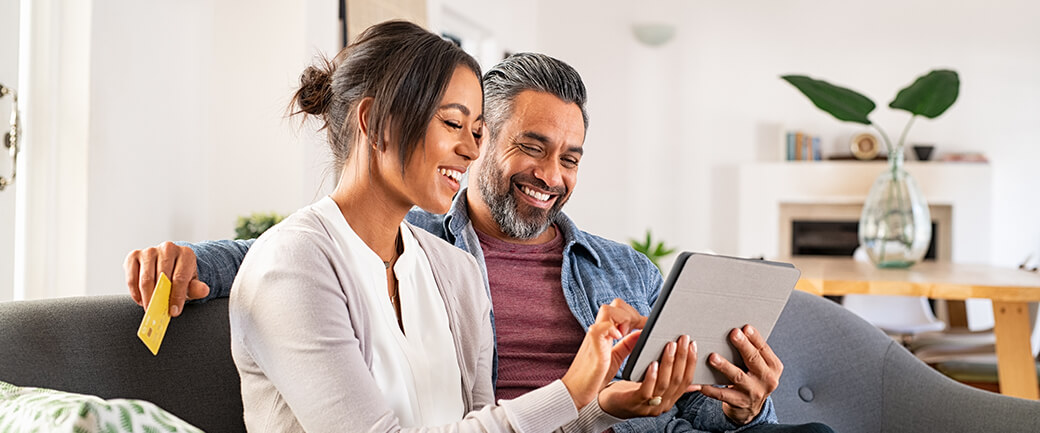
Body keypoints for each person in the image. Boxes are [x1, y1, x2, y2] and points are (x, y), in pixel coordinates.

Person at [126, 49, 832, 433]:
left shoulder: (623, 268)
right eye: (532, 146)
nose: (551, 176)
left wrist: (743, 402)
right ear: (481, 138)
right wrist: (189, 262)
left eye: (572, 157)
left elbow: (688, 408)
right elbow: (292, 254)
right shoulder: (416, 237)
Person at [203, 20, 698, 432]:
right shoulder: (291, 266)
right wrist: (568, 389)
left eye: (478, 130)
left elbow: (482, 424)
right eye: (453, 124)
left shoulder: (453, 270)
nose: (471, 149)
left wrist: (596, 403)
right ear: (375, 122)